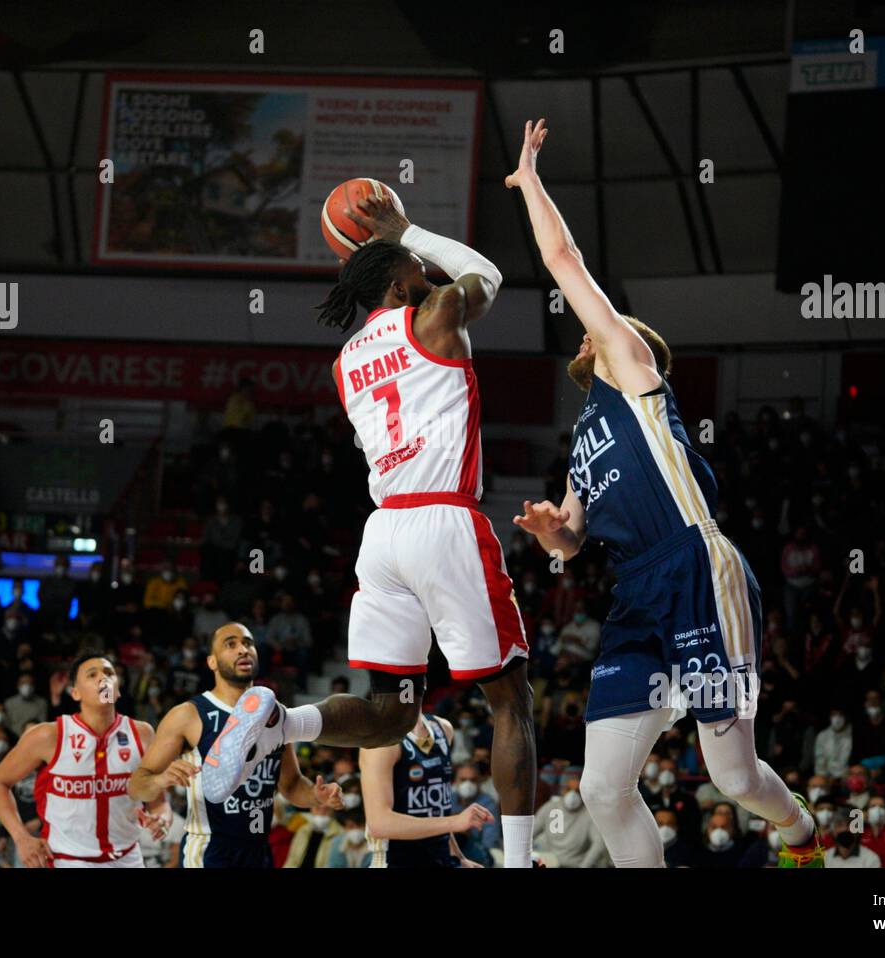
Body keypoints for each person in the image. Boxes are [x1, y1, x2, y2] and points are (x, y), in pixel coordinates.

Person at [505, 118, 820, 868]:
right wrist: (553, 532)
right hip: (635, 594)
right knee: (603, 788)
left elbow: (561, 257)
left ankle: (803, 832)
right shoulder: (582, 440)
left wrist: (530, 182)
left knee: (732, 777)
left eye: (601, 331)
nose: (588, 335)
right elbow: (574, 539)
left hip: (695, 566)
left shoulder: (633, 370)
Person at [199, 183, 537, 868]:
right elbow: (489, 276)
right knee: (511, 700)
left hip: (382, 536)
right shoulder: (437, 312)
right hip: (445, 518)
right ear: (396, 276)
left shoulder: (345, 359)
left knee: (392, 714)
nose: (425, 271)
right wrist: (409, 230)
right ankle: (520, 859)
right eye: (412, 265)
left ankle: (282, 720)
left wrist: (394, 247)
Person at [127, 623, 343, 868]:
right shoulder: (189, 715)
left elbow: (291, 785)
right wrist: (160, 779)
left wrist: (316, 796)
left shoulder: (275, 714)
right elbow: (136, 786)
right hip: (210, 850)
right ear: (212, 662)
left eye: (248, 643)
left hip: (259, 850)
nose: (243, 649)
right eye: (231, 644)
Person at [0, 651, 169, 868]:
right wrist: (21, 837)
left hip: (128, 859)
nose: (103, 678)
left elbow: (158, 800)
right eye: (92, 675)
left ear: (118, 690)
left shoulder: (143, 733)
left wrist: (162, 818)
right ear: (75, 693)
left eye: (109, 673)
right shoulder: (48, 735)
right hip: (67, 860)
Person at [359, 709, 488, 868]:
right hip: (397, 861)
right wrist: (455, 822)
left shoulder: (443, 727)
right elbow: (380, 825)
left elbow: (438, 812)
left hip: (441, 858)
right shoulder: (381, 739)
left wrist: (459, 857)